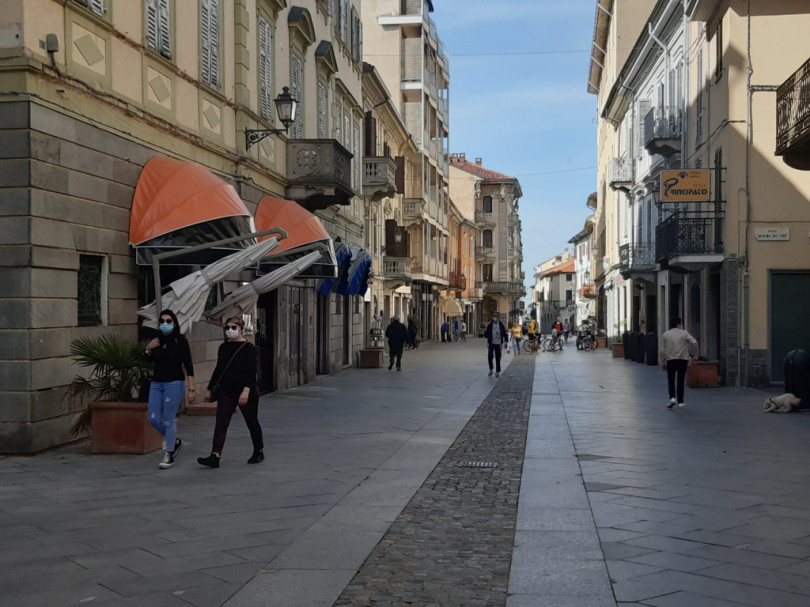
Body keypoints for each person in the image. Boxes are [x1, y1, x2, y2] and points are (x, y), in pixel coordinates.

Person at [197, 317, 264, 468]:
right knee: (221, 423)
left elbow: (251, 371)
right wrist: (210, 389)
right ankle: (215, 455)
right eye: (227, 327)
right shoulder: (223, 347)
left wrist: (246, 391)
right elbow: (219, 369)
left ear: (241, 329)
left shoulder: (249, 348)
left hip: (245, 391)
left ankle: (258, 450)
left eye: (233, 327)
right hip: (227, 390)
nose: (230, 330)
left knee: (251, 421)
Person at [145, 309, 195, 470]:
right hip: (156, 383)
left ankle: (169, 453)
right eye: (162, 321)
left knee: (168, 420)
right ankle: (175, 441)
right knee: (153, 418)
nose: (165, 324)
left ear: (174, 323)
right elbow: (148, 360)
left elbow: (188, 365)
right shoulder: (156, 340)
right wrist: (148, 349)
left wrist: (191, 389)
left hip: (174, 383)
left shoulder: (180, 340)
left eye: (168, 321)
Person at [659, 316, 698, 410]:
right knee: (681, 379)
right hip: (682, 359)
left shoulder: (666, 334)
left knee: (671, 379)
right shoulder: (684, 333)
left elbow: (662, 350)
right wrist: (695, 356)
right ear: (678, 324)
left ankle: (672, 398)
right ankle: (681, 402)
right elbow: (694, 342)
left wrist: (663, 362)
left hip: (670, 359)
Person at [484, 313, 508, 378]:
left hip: (499, 343)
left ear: (498, 317)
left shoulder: (502, 324)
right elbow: (485, 331)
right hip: (491, 343)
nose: (495, 317)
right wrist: (488, 336)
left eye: (496, 316)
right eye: (494, 316)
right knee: (490, 356)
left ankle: (497, 371)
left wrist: (506, 342)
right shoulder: (489, 324)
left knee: (498, 358)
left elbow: (505, 333)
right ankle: (491, 369)